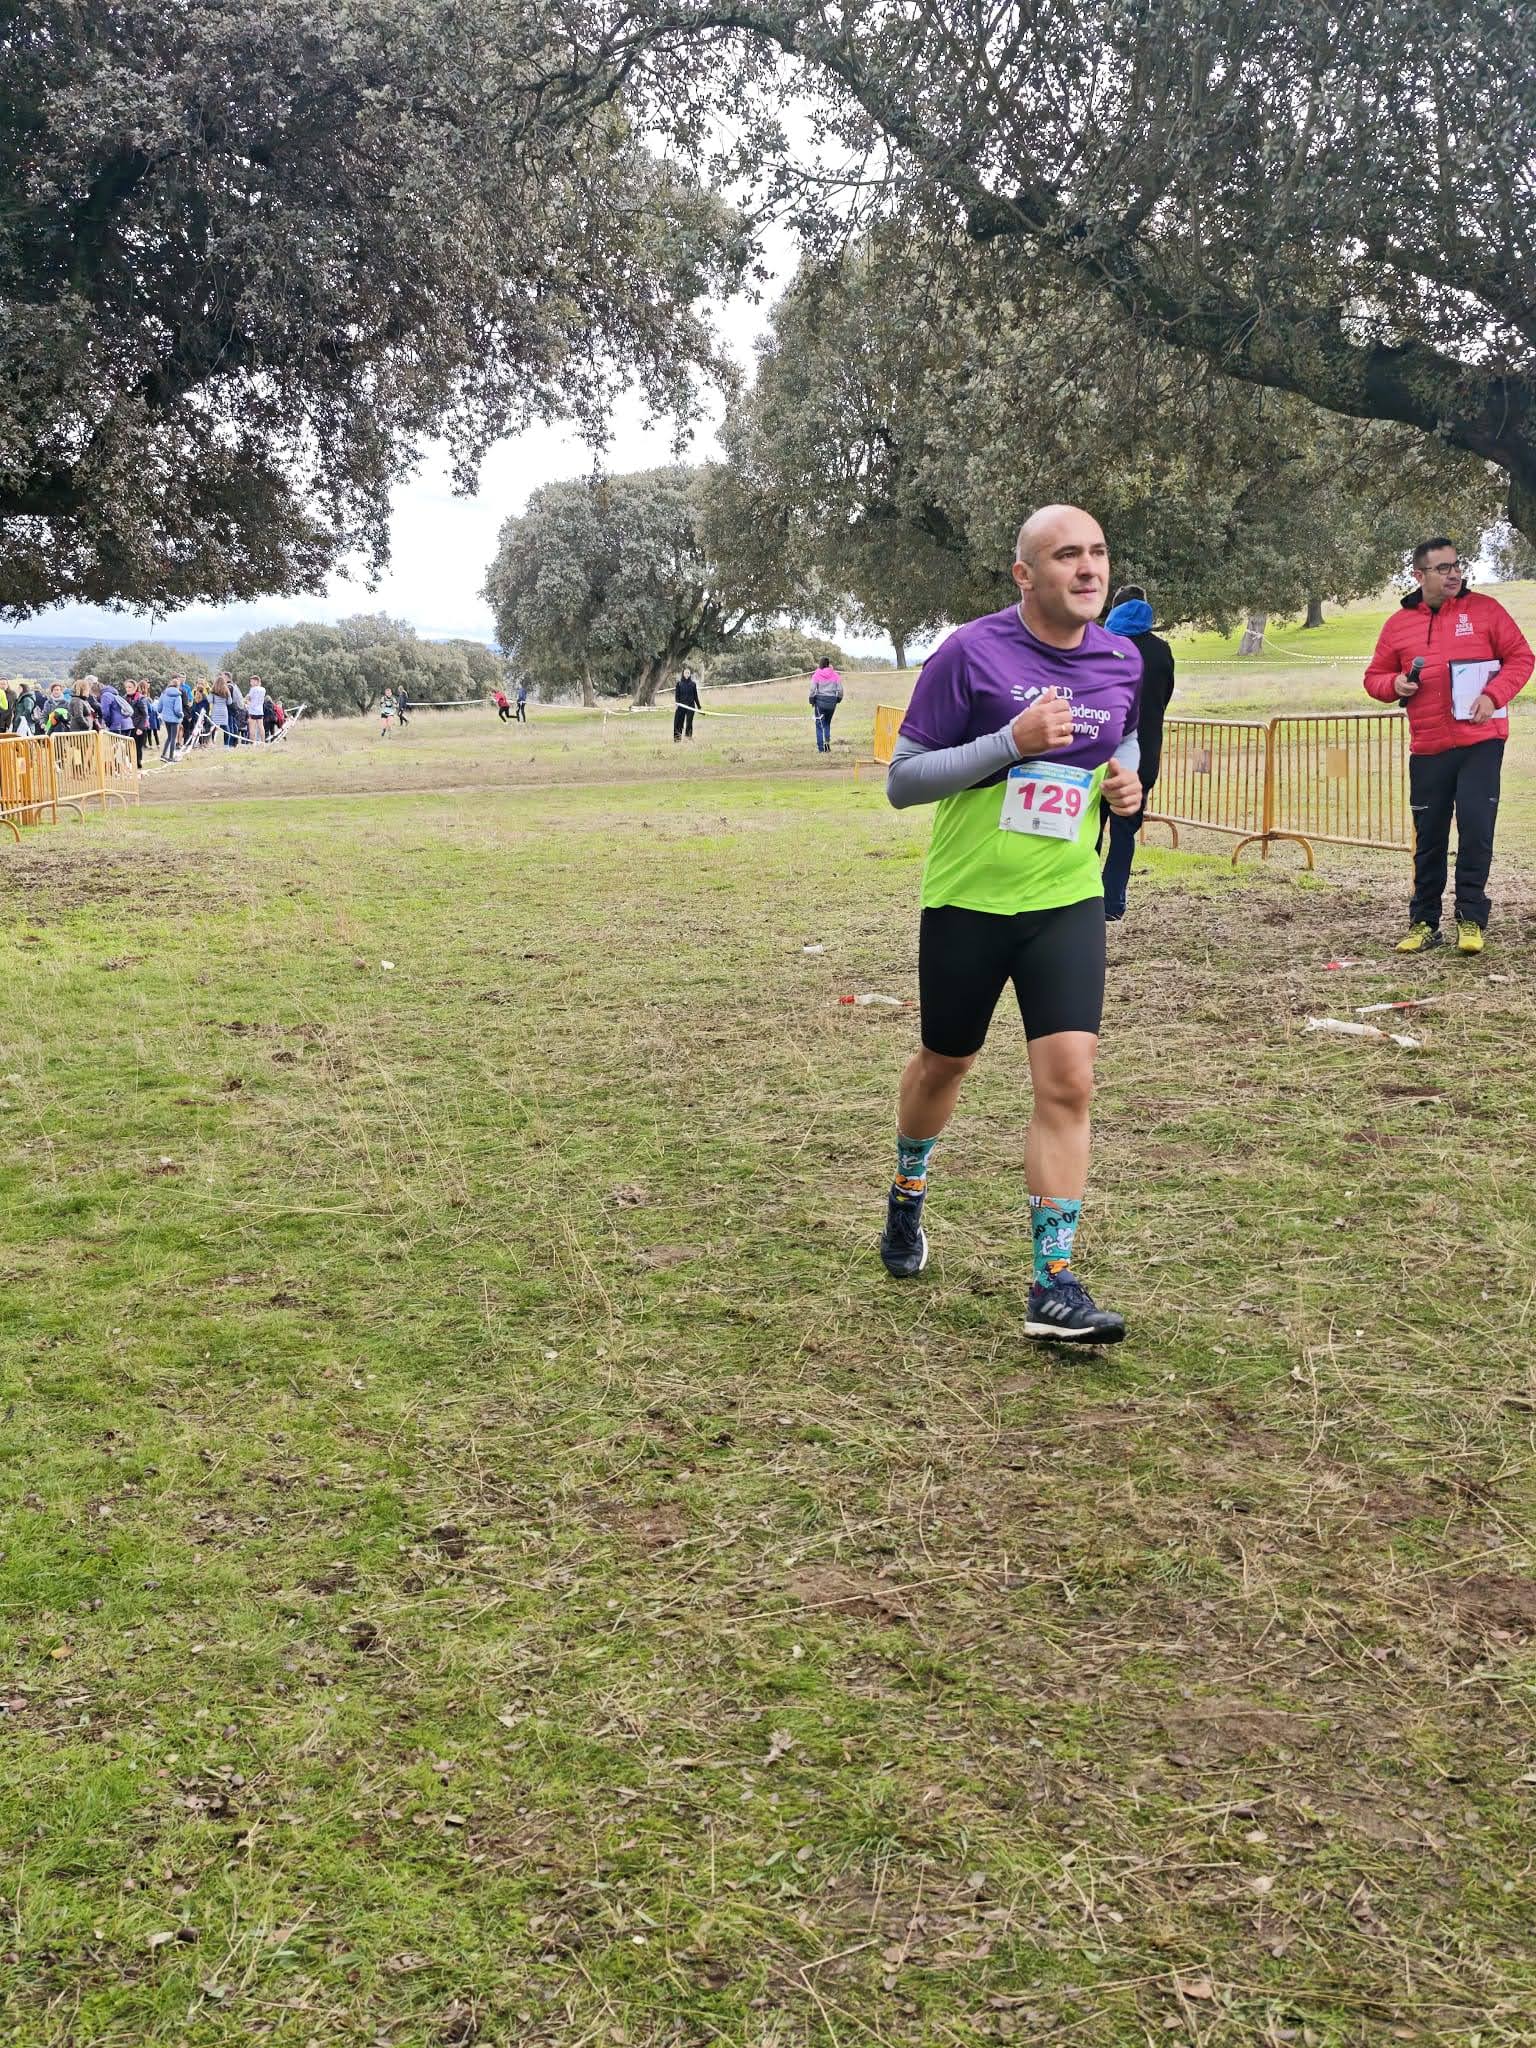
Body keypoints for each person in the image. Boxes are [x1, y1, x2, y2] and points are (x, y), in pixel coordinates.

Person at [879, 504, 1144, 1345]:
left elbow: (1121, 737)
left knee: (1069, 1079)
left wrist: (1123, 783)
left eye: (1098, 553)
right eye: (1068, 555)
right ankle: (907, 1193)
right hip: (969, 898)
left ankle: (1053, 1281)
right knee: (945, 1062)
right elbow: (905, 780)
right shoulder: (970, 653)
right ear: (1026, 574)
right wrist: (1008, 740)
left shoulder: (1120, 656)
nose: (1089, 569)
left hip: (1065, 896)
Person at [1364, 537, 1533, 954]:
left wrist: (1493, 696)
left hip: (1481, 743)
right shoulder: (1398, 625)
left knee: (1476, 830)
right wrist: (1395, 684)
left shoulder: (1486, 611)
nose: (1454, 573)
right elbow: (1374, 678)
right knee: (1430, 837)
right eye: (1442, 568)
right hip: (1428, 747)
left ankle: (1471, 920)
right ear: (1419, 576)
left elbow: (1521, 658)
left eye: (1457, 565)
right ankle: (1424, 923)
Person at [1097, 585, 1175, 921]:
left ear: (1113, 609)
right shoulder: (1161, 651)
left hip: (1099, 750)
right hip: (1144, 754)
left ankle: (1080, 898)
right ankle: (1113, 903)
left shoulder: (1099, 645)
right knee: (1125, 830)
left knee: (1089, 828)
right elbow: (1165, 696)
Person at [809, 656, 844, 752]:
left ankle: (821, 749)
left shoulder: (817, 674)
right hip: (832, 703)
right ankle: (827, 745)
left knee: (819, 725)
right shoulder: (835, 674)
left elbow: (812, 689)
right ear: (828, 664)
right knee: (827, 723)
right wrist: (838, 699)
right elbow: (840, 690)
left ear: (820, 664)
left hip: (820, 702)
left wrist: (811, 699)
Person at [157, 677, 185, 761]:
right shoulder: (178, 696)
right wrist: (181, 715)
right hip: (174, 720)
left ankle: (163, 754)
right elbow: (177, 710)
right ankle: (171, 757)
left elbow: (159, 708)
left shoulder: (164, 694)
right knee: (173, 738)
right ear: (178, 686)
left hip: (166, 719)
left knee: (169, 737)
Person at [673, 666, 700, 742]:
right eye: (685, 673)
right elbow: (677, 695)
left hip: (690, 706)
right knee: (679, 723)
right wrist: (677, 704)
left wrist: (699, 706)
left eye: (688, 673)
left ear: (690, 674)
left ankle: (688, 738)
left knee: (689, 723)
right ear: (683, 674)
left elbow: (695, 696)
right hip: (681, 706)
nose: (687, 674)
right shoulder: (679, 684)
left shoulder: (693, 684)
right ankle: (677, 739)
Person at [245, 675, 268, 740]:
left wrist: (247, 699)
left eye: (251, 681)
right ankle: (263, 741)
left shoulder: (252, 689)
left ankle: (253, 742)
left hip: (252, 710)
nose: (250, 683)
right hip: (260, 710)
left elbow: (249, 698)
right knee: (261, 727)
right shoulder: (263, 689)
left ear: (256, 681)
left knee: (252, 727)